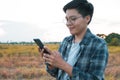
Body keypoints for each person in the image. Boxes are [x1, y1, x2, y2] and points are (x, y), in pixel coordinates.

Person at [39, 0, 109, 80]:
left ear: (87, 18)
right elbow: (57, 73)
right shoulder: (66, 41)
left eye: (73, 19)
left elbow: (95, 78)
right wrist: (52, 64)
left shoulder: (99, 45)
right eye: (67, 19)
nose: (68, 23)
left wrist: (63, 64)